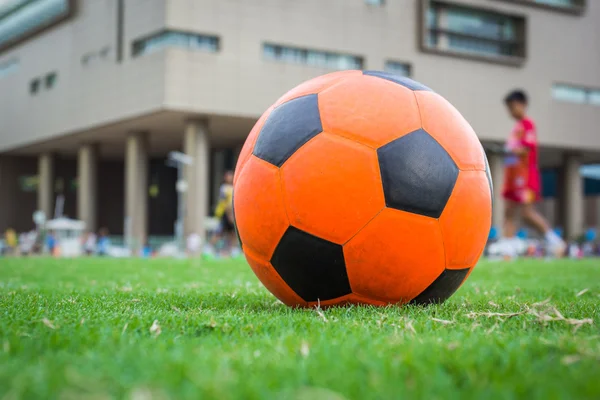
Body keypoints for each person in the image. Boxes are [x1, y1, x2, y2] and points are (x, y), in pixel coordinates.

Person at [500, 90, 566, 258]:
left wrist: (511, 150)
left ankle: (555, 241)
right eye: (508, 108)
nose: (510, 111)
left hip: (525, 177)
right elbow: (512, 155)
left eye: (512, 106)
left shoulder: (528, 125)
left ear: (522, 104)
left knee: (527, 212)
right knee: (508, 211)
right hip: (512, 177)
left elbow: (525, 149)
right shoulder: (515, 128)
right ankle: (507, 250)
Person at [211, 171, 235, 257]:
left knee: (232, 233)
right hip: (225, 214)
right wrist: (229, 215)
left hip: (232, 214)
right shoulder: (224, 188)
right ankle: (210, 249)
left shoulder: (233, 187)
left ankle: (231, 251)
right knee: (219, 233)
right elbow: (224, 202)